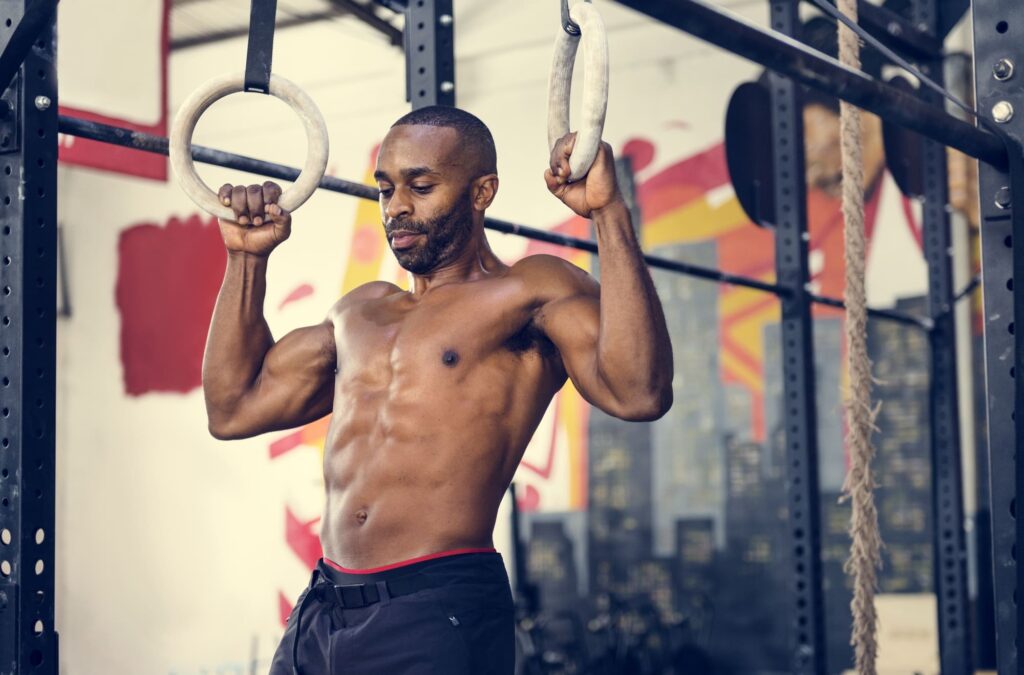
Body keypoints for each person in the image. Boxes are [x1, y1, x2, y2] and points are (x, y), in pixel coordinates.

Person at [201, 105, 674, 674]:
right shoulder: (360, 311)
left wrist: (608, 213)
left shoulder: (529, 291)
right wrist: (245, 260)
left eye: (420, 186)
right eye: (385, 189)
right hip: (323, 608)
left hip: (436, 607)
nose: (397, 206)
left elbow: (640, 392)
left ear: (482, 192)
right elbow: (232, 409)